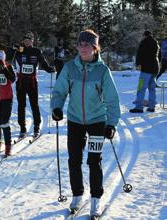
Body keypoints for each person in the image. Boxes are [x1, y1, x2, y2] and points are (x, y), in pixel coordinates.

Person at [51, 29, 121, 218]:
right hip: (75, 120)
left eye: (87, 45)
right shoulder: (70, 68)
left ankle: (96, 200)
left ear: (95, 48)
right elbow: (59, 91)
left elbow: (112, 100)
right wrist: (57, 107)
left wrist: (111, 124)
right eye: (80, 44)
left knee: (94, 161)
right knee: (74, 159)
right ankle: (77, 195)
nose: (83, 48)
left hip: (97, 121)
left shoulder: (102, 71)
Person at [14, 31, 56, 138]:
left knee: (34, 104)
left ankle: (36, 126)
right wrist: (13, 48)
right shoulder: (19, 49)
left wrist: (50, 69)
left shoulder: (36, 51)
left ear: (32, 41)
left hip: (32, 82)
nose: (27, 42)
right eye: (25, 40)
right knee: (21, 105)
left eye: (29, 40)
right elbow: (9, 56)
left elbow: (44, 63)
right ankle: (22, 128)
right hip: (21, 82)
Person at [129, 31, 161, 113]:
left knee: (141, 88)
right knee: (152, 88)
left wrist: (138, 64)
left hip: (146, 69)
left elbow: (139, 53)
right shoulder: (156, 43)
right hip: (155, 69)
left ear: (144, 35)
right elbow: (159, 56)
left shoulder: (144, 42)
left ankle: (139, 107)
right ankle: (151, 106)